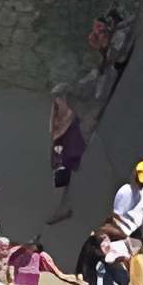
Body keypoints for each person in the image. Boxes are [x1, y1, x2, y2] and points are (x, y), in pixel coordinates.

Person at [47, 93, 88, 225]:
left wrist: (56, 130)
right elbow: (53, 132)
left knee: (61, 181)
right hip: (63, 152)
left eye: (58, 99)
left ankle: (59, 211)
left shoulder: (69, 114)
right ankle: (59, 210)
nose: (57, 103)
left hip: (68, 152)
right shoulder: (60, 115)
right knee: (60, 182)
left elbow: (57, 133)